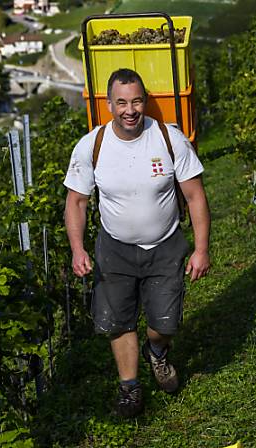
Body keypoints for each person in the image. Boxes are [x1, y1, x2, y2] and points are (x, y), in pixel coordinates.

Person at [63, 68, 211, 417]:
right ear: (109, 104)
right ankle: (129, 389)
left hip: (165, 246)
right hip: (114, 249)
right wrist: (78, 248)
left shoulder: (169, 139)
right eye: (122, 102)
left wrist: (201, 249)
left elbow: (195, 196)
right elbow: (76, 201)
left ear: (145, 101)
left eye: (137, 101)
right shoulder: (92, 146)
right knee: (118, 322)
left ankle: (156, 352)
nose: (130, 110)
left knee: (165, 324)